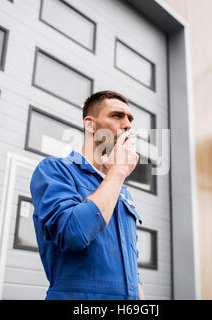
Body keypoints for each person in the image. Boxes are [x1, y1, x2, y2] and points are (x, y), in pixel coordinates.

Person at [30, 90, 146, 300]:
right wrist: (118, 171)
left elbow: (132, 267)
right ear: (90, 125)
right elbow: (73, 233)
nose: (128, 124)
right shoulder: (55, 170)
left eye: (130, 119)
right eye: (116, 116)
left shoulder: (121, 190)